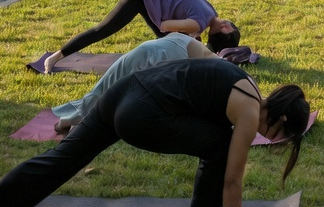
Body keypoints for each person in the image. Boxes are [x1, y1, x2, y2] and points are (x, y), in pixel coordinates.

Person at [0, 57, 309, 207]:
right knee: (220, 142)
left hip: (123, 93)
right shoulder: (248, 113)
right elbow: (232, 180)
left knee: (62, 160)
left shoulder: (246, 86)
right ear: (278, 117)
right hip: (143, 113)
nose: (275, 140)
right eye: (282, 134)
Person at [42, 0, 239, 73]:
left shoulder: (211, 12)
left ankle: (163, 70)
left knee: (176, 45)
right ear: (225, 28)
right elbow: (164, 26)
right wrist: (188, 35)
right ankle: (56, 57)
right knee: (103, 29)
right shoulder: (199, 24)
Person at [52, 32, 213, 132]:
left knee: (107, 89)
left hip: (154, 54)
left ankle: (74, 121)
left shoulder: (205, 55)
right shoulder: (211, 64)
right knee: (106, 91)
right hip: (154, 56)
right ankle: (73, 121)